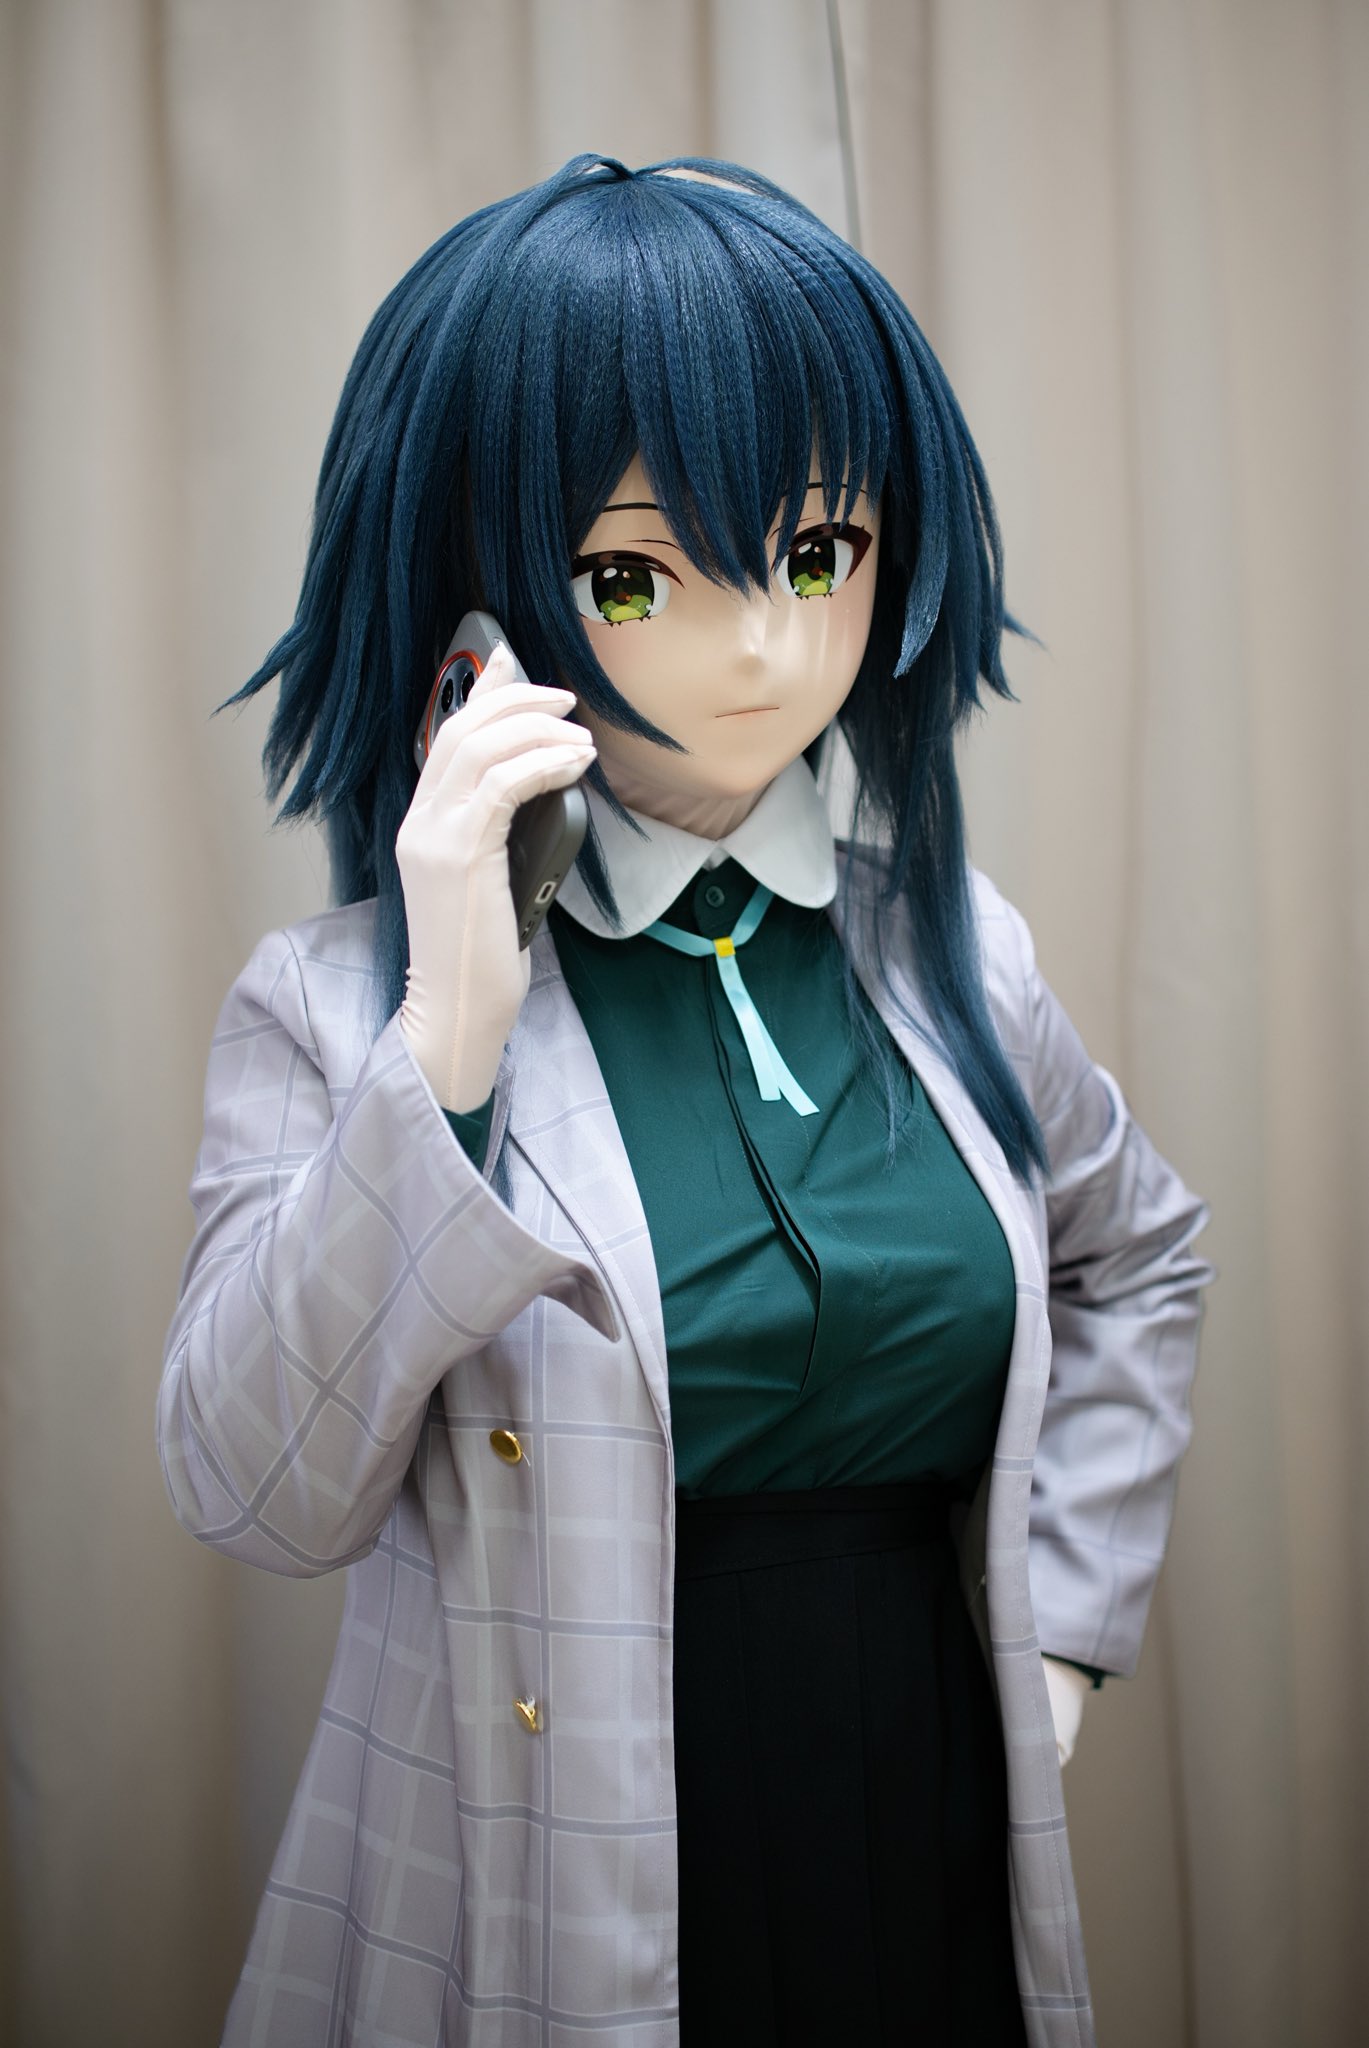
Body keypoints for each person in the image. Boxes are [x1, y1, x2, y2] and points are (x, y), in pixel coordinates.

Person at [158, 154, 1212, 2048]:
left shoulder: (947, 947)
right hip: (553, 1822)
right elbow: (252, 1489)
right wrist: (448, 1030)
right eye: (637, 575)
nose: (761, 645)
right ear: (474, 606)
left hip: (925, 1769)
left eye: (818, 554)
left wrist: (1059, 1633)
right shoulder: (330, 1011)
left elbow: (1137, 1259)